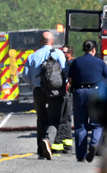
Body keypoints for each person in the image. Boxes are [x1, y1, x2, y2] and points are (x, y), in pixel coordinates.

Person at [23, 31, 67, 160]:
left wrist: (36, 83)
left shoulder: (32, 56)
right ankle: (48, 141)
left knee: (41, 119)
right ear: (52, 41)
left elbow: (25, 76)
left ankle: (40, 150)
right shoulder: (58, 53)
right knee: (54, 118)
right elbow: (65, 71)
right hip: (55, 91)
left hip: (38, 91)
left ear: (41, 42)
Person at [68, 40, 107, 163]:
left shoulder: (76, 62)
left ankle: (81, 155)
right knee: (97, 123)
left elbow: (70, 80)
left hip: (80, 94)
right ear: (94, 50)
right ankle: (93, 144)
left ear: (84, 49)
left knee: (81, 126)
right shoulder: (100, 62)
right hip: (96, 93)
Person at [52, 44, 75, 155]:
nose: (62, 53)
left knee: (63, 118)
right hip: (64, 94)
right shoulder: (64, 64)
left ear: (70, 53)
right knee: (66, 119)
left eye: (64, 52)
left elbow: (71, 81)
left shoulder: (72, 64)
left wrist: (65, 89)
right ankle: (67, 145)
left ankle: (58, 143)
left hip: (67, 94)